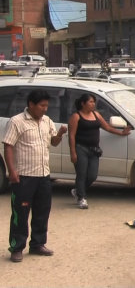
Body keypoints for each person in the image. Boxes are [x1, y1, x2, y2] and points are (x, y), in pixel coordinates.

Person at [3, 90, 67, 263]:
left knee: (42, 211)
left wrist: (60, 134)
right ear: (31, 104)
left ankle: (37, 244)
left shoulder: (47, 121)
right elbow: (8, 146)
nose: (45, 109)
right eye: (42, 105)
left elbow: (53, 142)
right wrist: (12, 171)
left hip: (44, 175)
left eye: (47, 105)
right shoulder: (16, 122)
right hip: (24, 176)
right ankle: (17, 247)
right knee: (20, 213)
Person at [68, 94, 131, 209]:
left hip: (94, 150)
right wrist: (73, 152)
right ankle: (81, 198)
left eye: (94, 102)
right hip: (80, 148)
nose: (93, 104)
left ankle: (78, 191)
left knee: (92, 175)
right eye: (91, 102)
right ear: (83, 103)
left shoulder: (96, 114)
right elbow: (71, 135)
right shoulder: (76, 117)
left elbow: (107, 127)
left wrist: (121, 133)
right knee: (81, 174)